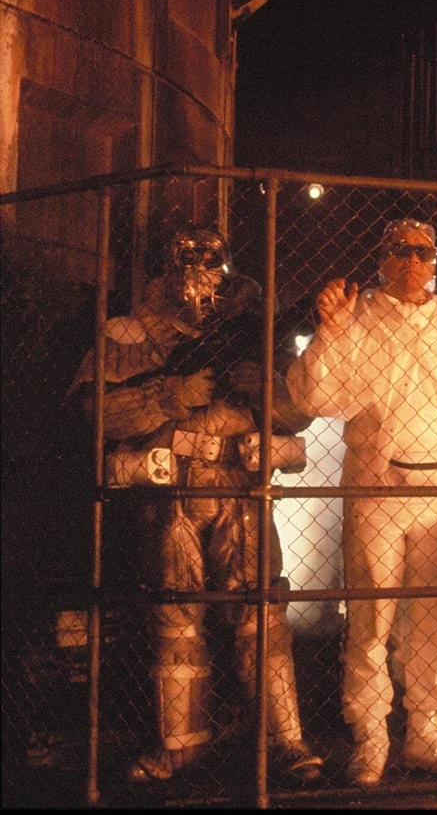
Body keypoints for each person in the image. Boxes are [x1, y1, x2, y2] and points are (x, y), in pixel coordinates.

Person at [70, 227, 323, 784]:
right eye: (188, 256)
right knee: (176, 617)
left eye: (211, 258)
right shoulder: (131, 332)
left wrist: (262, 386)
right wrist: (173, 394)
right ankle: (182, 743)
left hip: (239, 486)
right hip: (173, 490)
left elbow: (301, 412)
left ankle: (284, 739)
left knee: (261, 613)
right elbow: (98, 413)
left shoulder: (254, 331)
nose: (200, 268)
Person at [286, 218, 437, 786]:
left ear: (435, 261)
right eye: (400, 251)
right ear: (382, 259)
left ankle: (425, 733)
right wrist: (331, 332)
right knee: (371, 621)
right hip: (377, 489)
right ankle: (371, 737)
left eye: (424, 252)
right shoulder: (359, 321)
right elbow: (316, 395)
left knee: (436, 619)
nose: (413, 261)